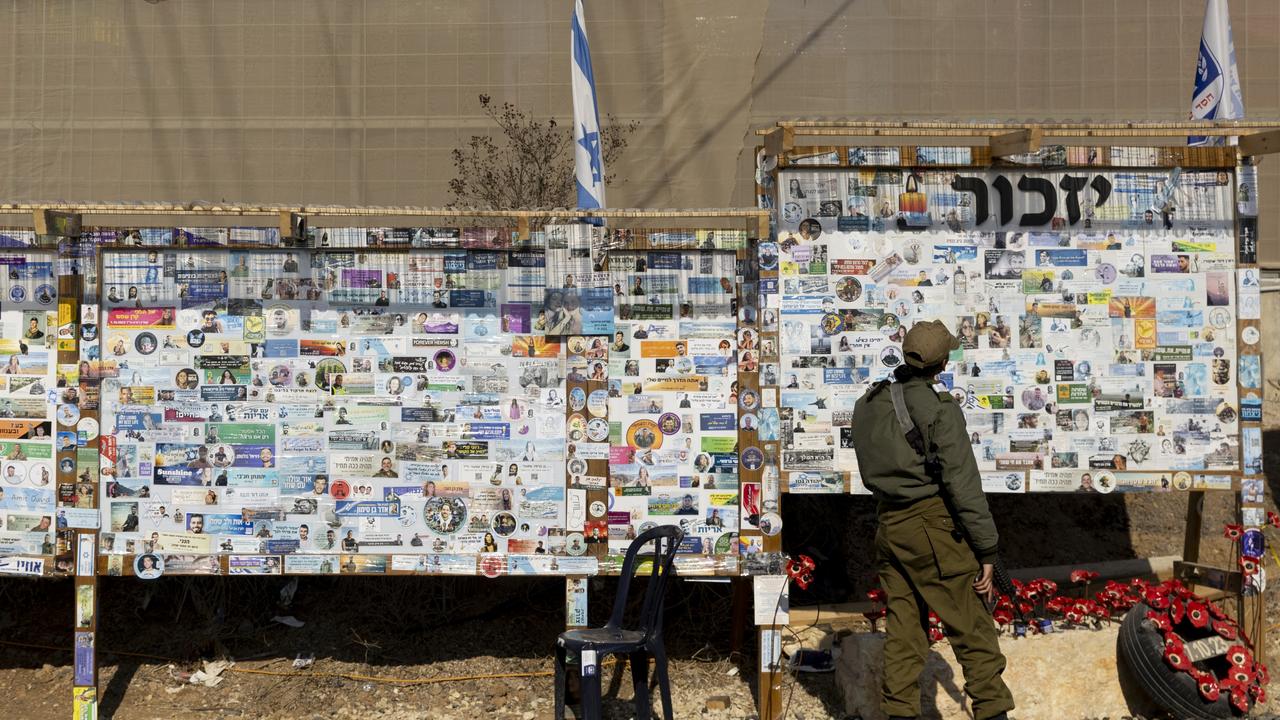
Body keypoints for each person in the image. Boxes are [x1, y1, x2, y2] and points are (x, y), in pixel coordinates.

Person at [849, 320, 1015, 720]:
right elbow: (963, 485)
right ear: (942, 363)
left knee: (904, 633)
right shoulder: (938, 407)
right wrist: (987, 549)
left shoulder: (869, 403)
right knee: (973, 629)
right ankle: (993, 711)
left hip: (889, 526)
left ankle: (901, 713)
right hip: (931, 528)